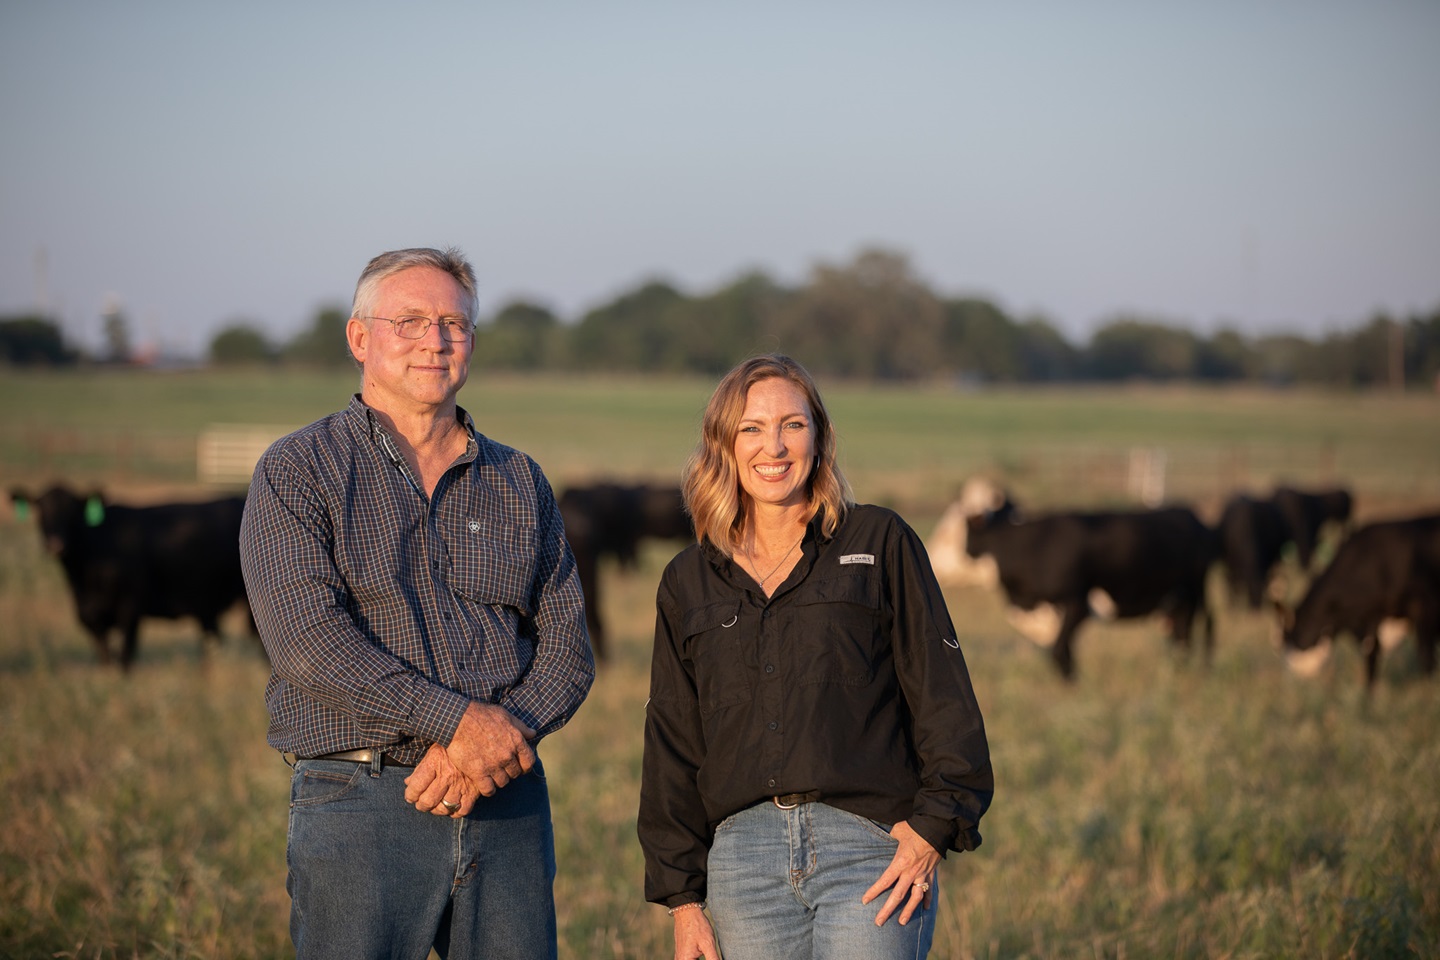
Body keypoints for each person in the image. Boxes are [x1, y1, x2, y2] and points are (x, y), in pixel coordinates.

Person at [239, 247, 594, 960]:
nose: (435, 341)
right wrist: (458, 724)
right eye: (409, 322)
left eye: (453, 324)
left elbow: (568, 650)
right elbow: (309, 641)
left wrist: (492, 745)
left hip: (505, 801)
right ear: (359, 338)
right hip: (359, 797)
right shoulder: (298, 470)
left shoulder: (518, 479)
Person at [638, 354, 992, 960]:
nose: (773, 447)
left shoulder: (879, 541)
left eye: (793, 425)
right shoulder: (688, 580)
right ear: (723, 445)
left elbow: (943, 694)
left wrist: (934, 827)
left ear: (819, 437)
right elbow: (673, 740)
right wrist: (683, 900)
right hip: (743, 865)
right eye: (751, 428)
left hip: (869, 849)